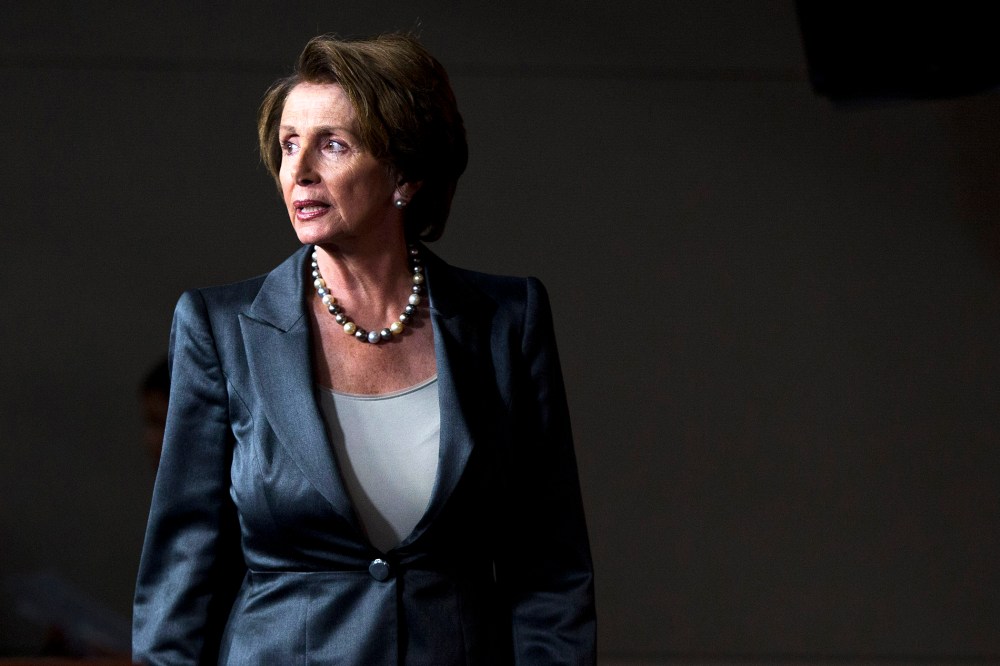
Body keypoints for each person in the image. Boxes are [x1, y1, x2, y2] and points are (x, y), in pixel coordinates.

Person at [133, 33, 595, 665]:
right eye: (289, 143)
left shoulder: (506, 322)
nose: (298, 171)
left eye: (332, 144)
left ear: (403, 172)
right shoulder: (219, 328)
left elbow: (549, 567)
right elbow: (180, 576)